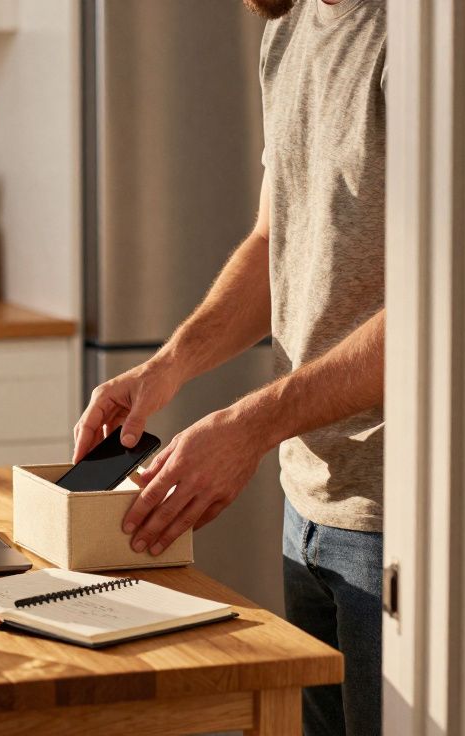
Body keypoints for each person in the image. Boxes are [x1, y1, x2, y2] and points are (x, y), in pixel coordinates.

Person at [71, 1, 386, 734]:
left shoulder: (426, 44)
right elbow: (275, 241)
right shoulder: (289, 29)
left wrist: (249, 426)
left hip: (398, 513)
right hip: (308, 503)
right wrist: (169, 366)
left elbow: (439, 311)